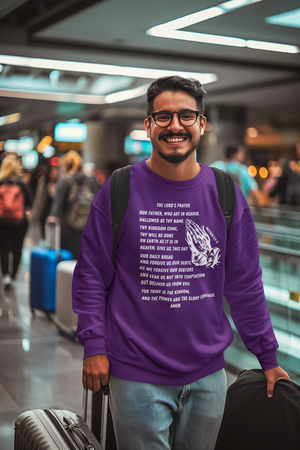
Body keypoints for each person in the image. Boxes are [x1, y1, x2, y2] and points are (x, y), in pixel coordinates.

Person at [72, 76, 290, 450]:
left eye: (186, 116)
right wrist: (94, 345)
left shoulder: (224, 192)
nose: (175, 126)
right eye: (164, 117)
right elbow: (92, 273)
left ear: (202, 124)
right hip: (137, 373)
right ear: (148, 126)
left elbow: (244, 282)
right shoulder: (120, 188)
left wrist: (267, 356)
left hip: (209, 377)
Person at [48, 150, 95, 259]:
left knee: (66, 258)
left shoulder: (64, 180)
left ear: (66, 165)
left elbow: (58, 203)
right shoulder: (89, 180)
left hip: (67, 227)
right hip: (85, 225)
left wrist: (53, 217)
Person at [0, 155, 32, 289]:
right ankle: (13, 276)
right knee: (17, 248)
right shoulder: (21, 185)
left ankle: (6, 275)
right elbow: (30, 203)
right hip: (20, 222)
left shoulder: (0, 183)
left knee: (4, 248)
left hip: (2, 221)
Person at [31, 164, 59, 239]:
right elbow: (38, 196)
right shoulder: (44, 182)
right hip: (44, 210)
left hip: (55, 212)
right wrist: (35, 209)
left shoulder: (60, 184)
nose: (54, 173)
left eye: (55, 171)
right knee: (44, 232)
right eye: (52, 172)